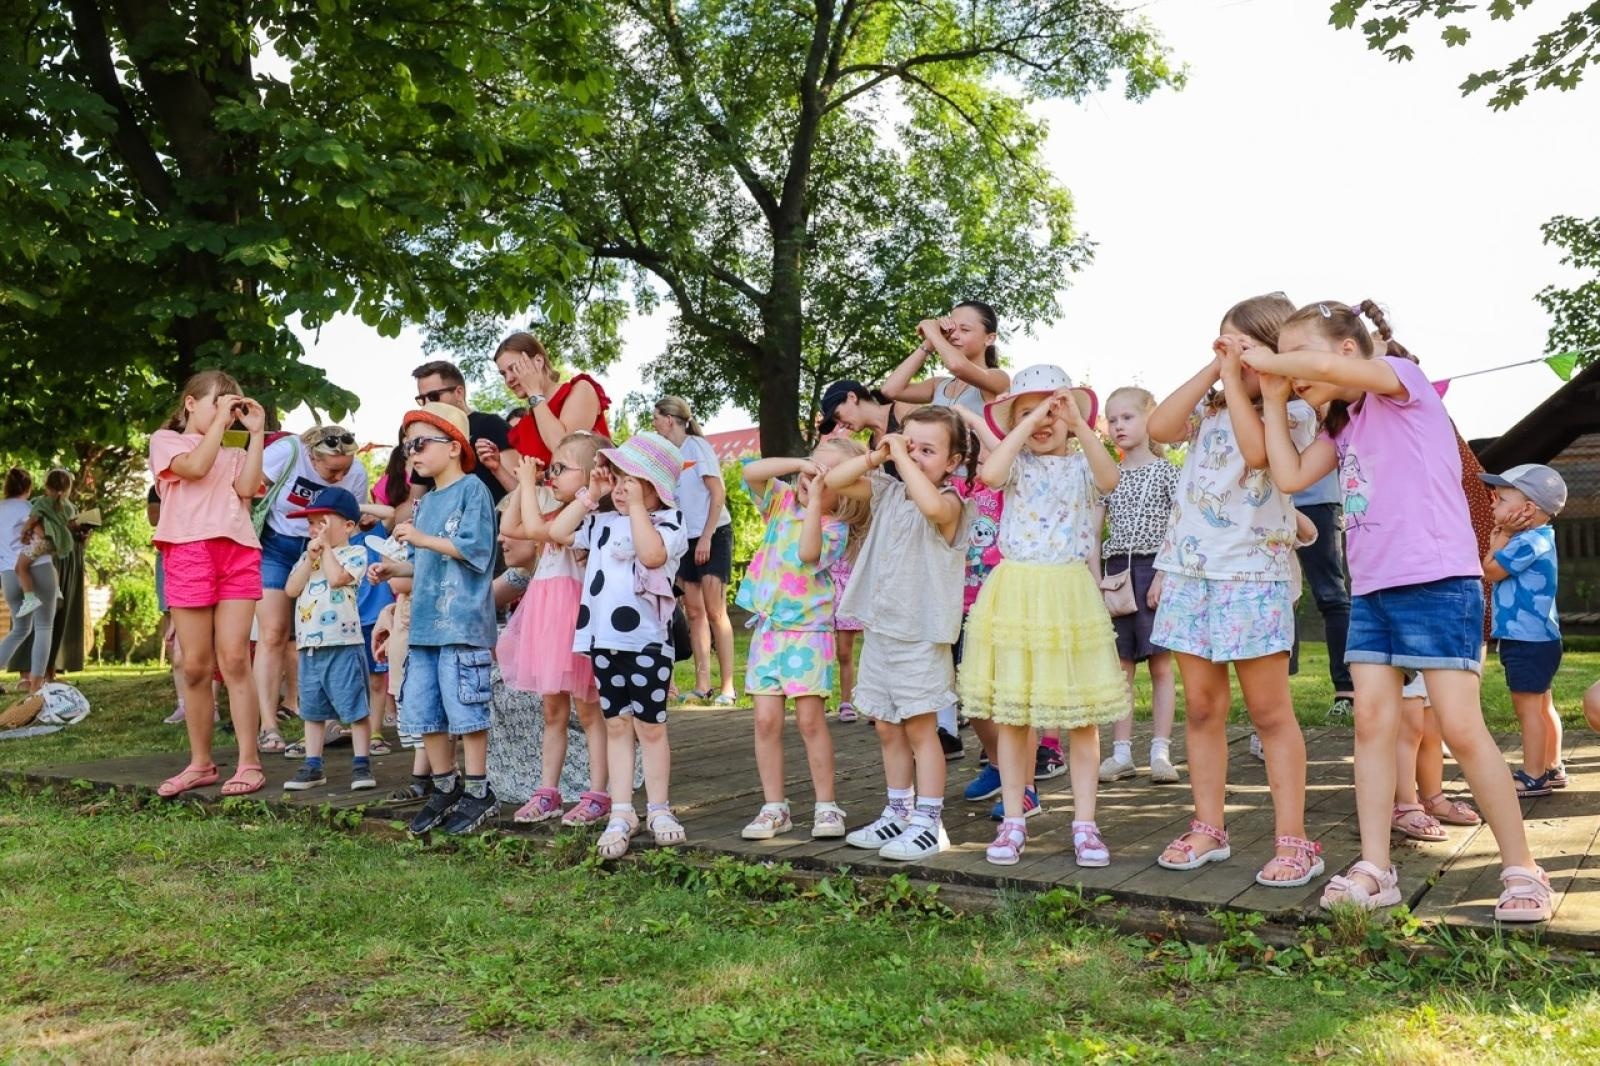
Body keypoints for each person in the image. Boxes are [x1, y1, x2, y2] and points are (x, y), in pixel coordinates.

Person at [1247, 298, 1549, 921]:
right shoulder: (1344, 428)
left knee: (1461, 728)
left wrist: (1272, 358)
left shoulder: (1403, 384)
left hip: (1438, 581)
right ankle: (1376, 867)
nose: (1293, 369)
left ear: (1351, 351)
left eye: (1302, 355)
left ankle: (1522, 868)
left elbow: (1341, 368)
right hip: (1375, 592)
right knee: (1371, 726)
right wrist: (1275, 400)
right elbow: (1288, 475)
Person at [1148, 293, 1321, 889]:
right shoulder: (1209, 411)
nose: (1231, 356)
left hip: (1253, 578)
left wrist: (1249, 377)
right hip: (1190, 576)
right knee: (1201, 709)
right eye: (1223, 341)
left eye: (1243, 345)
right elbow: (1159, 427)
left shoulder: (1291, 412)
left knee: (1270, 714)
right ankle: (1208, 826)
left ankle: (1294, 839)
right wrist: (1213, 369)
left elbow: (1255, 456)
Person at [960, 368, 1126, 867]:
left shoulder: (1081, 465)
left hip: (1068, 591)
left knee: (1081, 717)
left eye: (1051, 410)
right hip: (1015, 591)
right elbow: (989, 474)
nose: (1042, 422)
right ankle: (1014, 819)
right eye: (1028, 412)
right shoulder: (1013, 467)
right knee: (1014, 713)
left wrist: (1078, 424)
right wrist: (1027, 418)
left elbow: (1110, 478)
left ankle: (1085, 825)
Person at [825, 407, 974, 861]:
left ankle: (930, 822)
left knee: (920, 729)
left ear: (951, 462)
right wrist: (877, 456)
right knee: (887, 726)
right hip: (882, 630)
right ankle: (898, 810)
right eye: (910, 446)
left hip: (921, 636)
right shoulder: (887, 491)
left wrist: (903, 460)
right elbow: (833, 481)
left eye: (928, 450)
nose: (915, 456)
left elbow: (929, 505)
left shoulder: (951, 502)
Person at [546, 433, 690, 858]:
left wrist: (641, 508)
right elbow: (556, 530)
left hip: (646, 643)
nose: (621, 485)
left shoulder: (670, 523)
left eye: (633, 478)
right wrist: (591, 495)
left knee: (650, 726)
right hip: (603, 640)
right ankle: (622, 809)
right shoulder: (601, 523)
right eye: (619, 476)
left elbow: (650, 557)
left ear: (655, 488)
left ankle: (659, 808)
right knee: (616, 724)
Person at [735, 438, 869, 841]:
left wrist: (813, 503)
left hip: (808, 633)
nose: (810, 478)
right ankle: (774, 807)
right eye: (810, 469)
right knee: (764, 720)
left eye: (825, 476)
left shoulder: (835, 526)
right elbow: (749, 472)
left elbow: (809, 553)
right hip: (768, 630)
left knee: (810, 721)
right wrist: (801, 461)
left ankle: (826, 805)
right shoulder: (779, 503)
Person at [146, 370, 269, 797]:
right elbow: (195, 469)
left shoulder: (231, 444)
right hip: (187, 552)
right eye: (219, 402)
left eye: (232, 405)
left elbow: (247, 488)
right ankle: (200, 763)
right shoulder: (167, 442)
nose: (227, 413)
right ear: (190, 403)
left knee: (235, 658)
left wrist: (255, 436)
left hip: (236, 550)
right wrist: (220, 422)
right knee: (195, 664)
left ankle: (249, 762)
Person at [386, 402, 501, 835]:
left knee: (465, 709)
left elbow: (475, 552)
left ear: (454, 447)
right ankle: (445, 786)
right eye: (405, 446)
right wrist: (395, 568)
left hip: (462, 624)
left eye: (419, 443)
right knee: (424, 709)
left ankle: (477, 790)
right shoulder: (427, 502)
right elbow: (422, 562)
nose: (410, 453)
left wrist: (420, 538)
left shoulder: (473, 491)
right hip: (425, 626)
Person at [500, 431, 613, 827]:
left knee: (589, 710)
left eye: (561, 468)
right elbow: (512, 525)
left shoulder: (588, 516)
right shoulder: (556, 514)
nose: (552, 474)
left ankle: (599, 792)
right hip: (546, 622)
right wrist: (521, 485)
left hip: (576, 622)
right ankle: (548, 791)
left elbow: (531, 528)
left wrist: (528, 483)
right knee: (552, 710)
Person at [253, 425, 367, 753]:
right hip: (277, 544)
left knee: (315, 631)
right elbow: (251, 486)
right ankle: (268, 725)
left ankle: (320, 719)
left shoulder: (356, 472)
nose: (339, 476)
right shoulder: (288, 451)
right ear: (313, 457)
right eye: (333, 470)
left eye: (345, 469)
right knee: (273, 632)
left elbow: (352, 518)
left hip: (324, 551)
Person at [1094, 386, 1182, 785]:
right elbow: (1093, 532)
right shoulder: (1106, 475)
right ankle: (1121, 752)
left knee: (1161, 666)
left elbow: (1180, 526)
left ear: (1150, 419)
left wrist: (1164, 574)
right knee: (1122, 668)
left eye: (1127, 417)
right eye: (1112, 420)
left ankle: (1160, 750)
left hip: (1153, 569)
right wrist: (1096, 578)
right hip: (1115, 573)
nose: (1117, 426)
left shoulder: (1166, 473)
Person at [1480, 463, 1568, 797]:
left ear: (1527, 509)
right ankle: (1553, 765)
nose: (1493, 504)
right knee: (1543, 704)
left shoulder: (1526, 543)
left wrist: (1499, 538)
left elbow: (1490, 571)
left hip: (1526, 640)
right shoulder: (1541, 537)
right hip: (1541, 638)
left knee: (1528, 708)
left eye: (1501, 499)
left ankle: (1534, 775)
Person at [280, 488, 376, 792]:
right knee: (312, 709)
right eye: (310, 525)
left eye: (321, 523)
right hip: (309, 647)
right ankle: (313, 764)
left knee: (354, 707)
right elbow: (291, 590)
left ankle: (362, 763)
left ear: (348, 526)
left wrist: (327, 551)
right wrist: (310, 558)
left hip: (344, 644)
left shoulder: (355, 554)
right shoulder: (307, 557)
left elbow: (337, 579)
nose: (314, 531)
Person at [652, 396, 737, 706]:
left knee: (716, 611)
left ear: (670, 419)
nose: (654, 423)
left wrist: (706, 538)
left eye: (656, 417)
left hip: (712, 533)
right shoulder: (668, 455)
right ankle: (703, 685)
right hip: (684, 538)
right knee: (695, 612)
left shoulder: (697, 447)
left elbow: (718, 493)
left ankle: (728, 686)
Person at [1292, 467, 1356, 721]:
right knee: (1276, 597)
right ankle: (1274, 695)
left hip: (1318, 499)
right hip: (1267, 499)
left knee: (1331, 596)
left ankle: (1346, 692)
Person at [493, 332, 612, 466]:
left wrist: (534, 393)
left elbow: (563, 450)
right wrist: (498, 469)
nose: (509, 379)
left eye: (514, 368)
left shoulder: (580, 389)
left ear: (538, 361)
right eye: (503, 374)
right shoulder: (524, 426)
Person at [411, 360, 517, 500]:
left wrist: (496, 468)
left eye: (433, 396)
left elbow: (520, 489)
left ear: (459, 393)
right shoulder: (423, 438)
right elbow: (414, 501)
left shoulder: (490, 425)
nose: (427, 405)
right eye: (422, 399)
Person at [0, 468, 59, 694]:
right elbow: (44, 536)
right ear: (28, 488)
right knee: (44, 626)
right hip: (38, 569)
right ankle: (36, 686)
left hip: (8, 574)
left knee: (19, 629)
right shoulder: (29, 508)